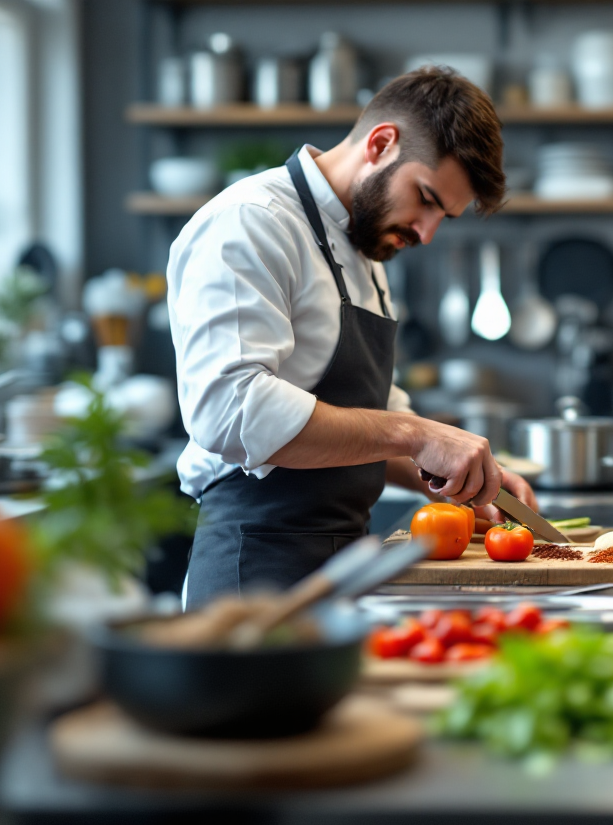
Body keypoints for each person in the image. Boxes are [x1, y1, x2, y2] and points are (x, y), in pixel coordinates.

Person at [166, 67, 538, 609]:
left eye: (444, 217)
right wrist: (417, 434)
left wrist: (461, 476)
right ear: (381, 143)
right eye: (427, 198)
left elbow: (367, 420)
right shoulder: (251, 222)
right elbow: (229, 410)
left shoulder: (366, 246)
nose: (427, 232)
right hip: (254, 572)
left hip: (341, 570)